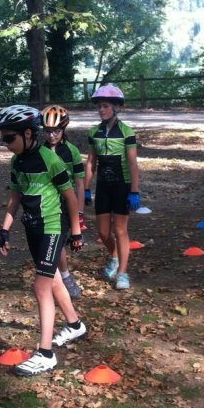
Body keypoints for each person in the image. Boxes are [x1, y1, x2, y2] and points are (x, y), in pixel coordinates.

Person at [0, 105, 86, 377]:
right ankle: (75, 324)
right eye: (2, 139)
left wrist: (76, 232)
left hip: (53, 227)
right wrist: (4, 230)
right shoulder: (17, 161)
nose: (5, 144)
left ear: (28, 133)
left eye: (9, 138)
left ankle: (45, 354)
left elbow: (70, 197)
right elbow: (15, 199)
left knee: (41, 286)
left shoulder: (50, 160)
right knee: (53, 280)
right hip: (31, 227)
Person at [84, 84, 141, 290]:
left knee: (120, 230)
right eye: (99, 106)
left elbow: (133, 163)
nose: (101, 110)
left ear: (116, 107)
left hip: (122, 186)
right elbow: (91, 161)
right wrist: (87, 188)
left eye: (105, 106)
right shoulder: (94, 132)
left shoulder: (127, 132)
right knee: (103, 232)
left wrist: (134, 191)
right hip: (104, 187)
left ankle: (123, 273)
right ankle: (115, 257)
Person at [40, 105, 86, 300]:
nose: (52, 136)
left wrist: (81, 213)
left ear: (63, 129)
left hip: (66, 205)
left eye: (56, 131)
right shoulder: (38, 150)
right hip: (44, 205)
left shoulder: (71, 151)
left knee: (57, 245)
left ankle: (65, 278)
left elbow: (80, 183)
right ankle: (59, 278)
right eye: (48, 131)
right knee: (50, 246)